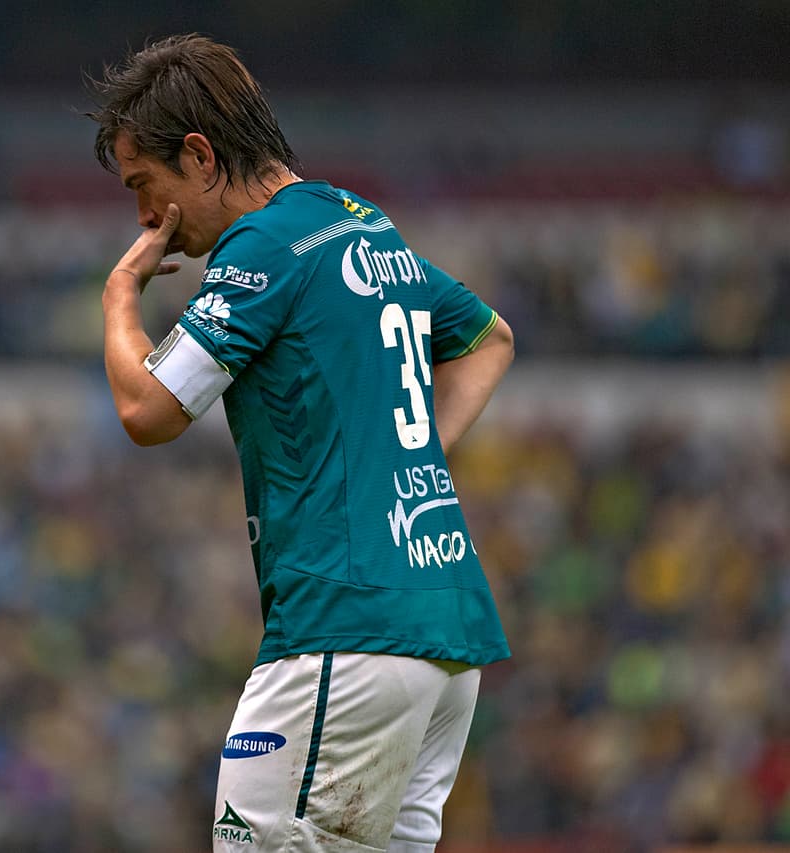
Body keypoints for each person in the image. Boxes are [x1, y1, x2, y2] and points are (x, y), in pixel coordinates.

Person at [88, 35, 515, 853]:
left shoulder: (264, 244)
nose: (146, 218)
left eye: (145, 185)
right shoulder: (361, 223)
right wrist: (414, 456)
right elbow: (487, 337)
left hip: (344, 626)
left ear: (201, 156)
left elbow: (148, 408)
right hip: (444, 631)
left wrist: (119, 298)